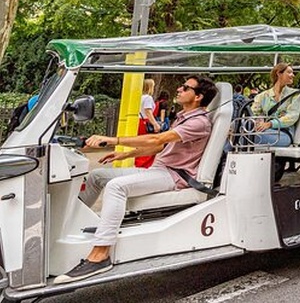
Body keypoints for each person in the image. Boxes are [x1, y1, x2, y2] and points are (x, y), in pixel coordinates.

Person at [54, 76, 217, 284]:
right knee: (97, 176)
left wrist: (113, 140)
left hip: (174, 175)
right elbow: (160, 146)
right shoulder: (184, 117)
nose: (179, 89)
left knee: (116, 186)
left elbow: (157, 139)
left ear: (198, 96)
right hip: (160, 169)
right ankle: (71, 223)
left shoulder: (198, 122)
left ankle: (100, 254)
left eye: (185, 88)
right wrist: (124, 154)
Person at [248, 63, 300, 147]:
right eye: (289, 72)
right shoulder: (262, 96)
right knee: (240, 132)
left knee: (250, 137)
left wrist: (270, 124)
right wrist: (257, 122)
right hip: (265, 130)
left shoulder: (295, 94)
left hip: (283, 133)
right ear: (279, 73)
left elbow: (292, 116)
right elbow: (252, 114)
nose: (293, 75)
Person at [135, 79, 162, 168]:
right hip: (146, 122)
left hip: (139, 121)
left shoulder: (139, 97)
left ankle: (138, 162)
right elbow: (148, 111)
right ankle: (144, 164)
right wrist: (155, 124)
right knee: (149, 144)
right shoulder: (148, 98)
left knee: (140, 143)